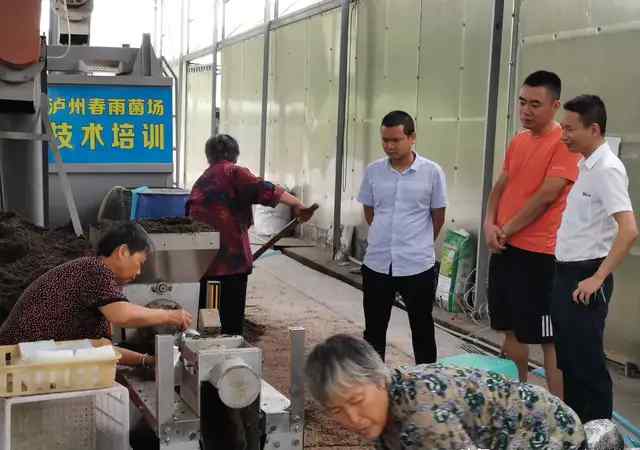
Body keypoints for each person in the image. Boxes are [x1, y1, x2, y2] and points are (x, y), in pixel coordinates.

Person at [305, 334, 587, 450]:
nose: (353, 418)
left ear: (379, 379)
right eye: (338, 410)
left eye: (356, 401)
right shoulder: (384, 408)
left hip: (549, 430)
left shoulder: (423, 417)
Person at [484, 71, 581, 397]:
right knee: (509, 330)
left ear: (554, 105)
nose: (526, 110)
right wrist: (489, 223)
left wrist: (506, 229)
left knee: (548, 339)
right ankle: (517, 406)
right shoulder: (519, 140)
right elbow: (502, 184)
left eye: (535, 104)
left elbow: (547, 194)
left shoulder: (564, 143)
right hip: (506, 249)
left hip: (539, 255)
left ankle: (560, 419)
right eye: (523, 102)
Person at [0, 222, 193, 367]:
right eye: (140, 262)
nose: (139, 272)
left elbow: (100, 348)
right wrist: (169, 315)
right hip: (17, 359)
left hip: (28, 358)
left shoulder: (96, 279)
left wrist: (146, 361)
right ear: (123, 252)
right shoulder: (95, 271)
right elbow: (122, 316)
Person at [553, 95, 638, 422]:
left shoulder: (607, 169)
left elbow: (628, 230)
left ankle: (601, 436)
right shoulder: (585, 166)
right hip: (565, 276)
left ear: (594, 129)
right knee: (570, 362)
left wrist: (598, 278)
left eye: (570, 129)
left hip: (586, 277)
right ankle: (578, 431)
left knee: (588, 366)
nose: (564, 135)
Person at [187, 134, 316, 336]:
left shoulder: (200, 182)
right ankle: (229, 355)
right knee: (230, 324)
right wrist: (298, 205)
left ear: (208, 156)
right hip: (231, 264)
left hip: (202, 263)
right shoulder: (233, 172)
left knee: (207, 318)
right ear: (234, 155)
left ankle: (206, 354)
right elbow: (266, 189)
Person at [357, 110, 446, 365]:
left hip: (417, 265)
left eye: (395, 140)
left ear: (412, 137)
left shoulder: (432, 172)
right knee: (374, 330)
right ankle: (375, 385)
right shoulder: (374, 171)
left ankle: (427, 383)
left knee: (422, 328)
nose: (389, 146)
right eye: (385, 140)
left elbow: (438, 216)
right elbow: (370, 211)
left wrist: (417, 243)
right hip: (377, 263)